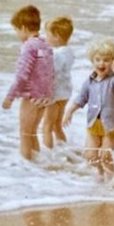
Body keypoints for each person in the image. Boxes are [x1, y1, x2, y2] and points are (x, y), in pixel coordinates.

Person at [63, 38, 114, 180]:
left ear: (112, 62)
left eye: (106, 60)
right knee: (90, 155)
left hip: (110, 126)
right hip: (93, 125)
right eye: (97, 59)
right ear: (92, 61)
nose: (101, 63)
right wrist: (69, 111)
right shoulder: (89, 81)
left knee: (105, 155)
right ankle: (100, 173)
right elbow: (81, 99)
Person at [2, 5, 54, 161]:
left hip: (31, 96)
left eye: (17, 30)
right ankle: (36, 167)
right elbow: (48, 71)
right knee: (32, 133)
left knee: (24, 134)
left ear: (23, 28)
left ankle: (26, 169)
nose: (17, 34)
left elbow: (22, 76)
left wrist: (10, 97)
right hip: (44, 96)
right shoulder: (45, 45)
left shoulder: (28, 47)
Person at [42, 16, 75, 149]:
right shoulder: (69, 52)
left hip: (54, 94)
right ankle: (64, 148)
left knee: (47, 127)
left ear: (56, 36)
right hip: (65, 93)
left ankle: (49, 154)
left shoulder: (56, 54)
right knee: (57, 126)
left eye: (47, 35)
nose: (46, 38)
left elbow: (51, 71)